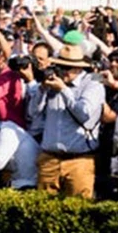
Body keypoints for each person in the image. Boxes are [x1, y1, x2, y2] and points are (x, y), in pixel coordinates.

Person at [27, 45, 104, 199]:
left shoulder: (93, 83)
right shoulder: (52, 83)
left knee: (79, 209)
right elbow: (33, 113)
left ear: (78, 69)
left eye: (66, 68)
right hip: (49, 158)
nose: (62, 71)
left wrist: (63, 90)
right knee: (43, 210)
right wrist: (42, 89)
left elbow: (84, 113)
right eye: (60, 67)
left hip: (79, 160)